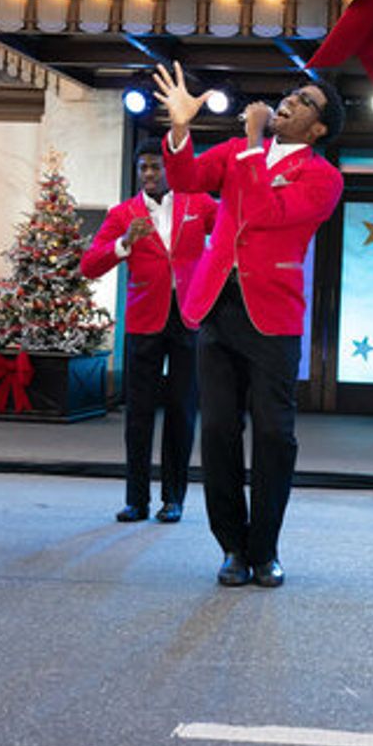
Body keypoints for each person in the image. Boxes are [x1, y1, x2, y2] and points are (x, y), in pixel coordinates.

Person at [152, 62, 344, 588]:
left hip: (273, 315)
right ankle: (232, 547)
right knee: (215, 429)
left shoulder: (323, 177)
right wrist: (181, 128)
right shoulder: (239, 152)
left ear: (319, 129)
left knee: (275, 435)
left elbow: (263, 211)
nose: (290, 102)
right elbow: (186, 179)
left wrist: (253, 140)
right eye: (291, 94)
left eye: (305, 101)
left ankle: (266, 549)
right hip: (218, 304)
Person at [80, 141, 216, 524]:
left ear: (171, 168)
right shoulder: (125, 213)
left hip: (188, 319)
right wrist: (125, 243)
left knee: (181, 411)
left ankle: (174, 499)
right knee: (138, 414)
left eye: (156, 167)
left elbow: (228, 230)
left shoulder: (198, 203)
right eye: (144, 169)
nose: (150, 175)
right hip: (144, 322)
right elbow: (88, 265)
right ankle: (136, 500)